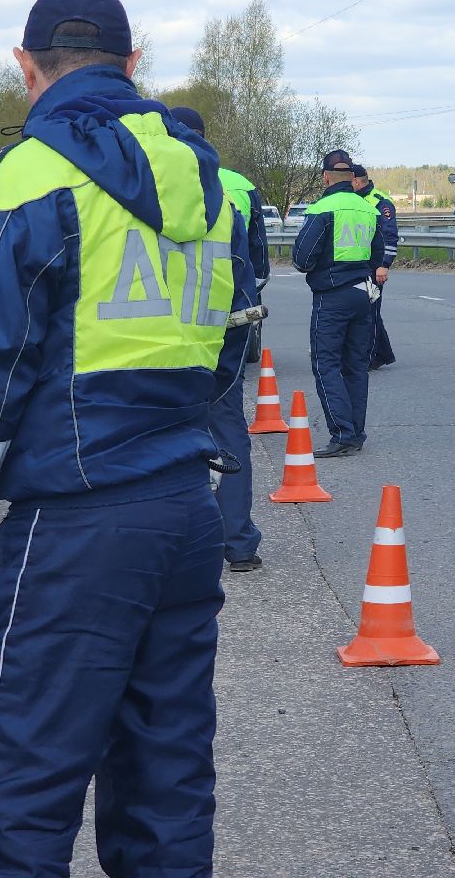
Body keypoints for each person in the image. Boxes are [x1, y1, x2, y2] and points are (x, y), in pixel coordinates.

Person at [0, 0, 252, 878]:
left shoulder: (27, 178)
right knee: (165, 788)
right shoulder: (208, 186)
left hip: (75, 523)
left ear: (27, 68)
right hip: (184, 509)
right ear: (134, 66)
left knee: (18, 791)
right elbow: (220, 356)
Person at [172, 105, 267, 573]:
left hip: (150, 337)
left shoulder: (136, 191)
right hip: (221, 329)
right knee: (227, 426)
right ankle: (238, 543)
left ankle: (172, 543)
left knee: (158, 433)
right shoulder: (229, 198)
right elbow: (251, 267)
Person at [291, 149, 384, 458]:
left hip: (332, 296)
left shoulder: (323, 208)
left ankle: (342, 433)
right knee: (356, 365)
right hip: (363, 294)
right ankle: (355, 432)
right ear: (352, 177)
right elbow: (376, 256)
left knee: (326, 363)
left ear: (326, 177)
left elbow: (303, 259)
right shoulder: (368, 209)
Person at [349, 163, 398, 369]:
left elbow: (390, 236)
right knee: (366, 310)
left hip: (374, 265)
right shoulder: (353, 200)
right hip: (357, 264)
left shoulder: (379, 202)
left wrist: (384, 265)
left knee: (370, 311)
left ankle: (370, 357)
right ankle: (383, 353)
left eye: (349, 181)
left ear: (358, 181)